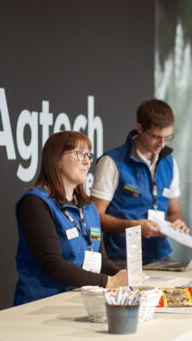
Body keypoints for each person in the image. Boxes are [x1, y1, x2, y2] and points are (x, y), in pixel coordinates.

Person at [14, 131, 127, 306]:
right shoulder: (35, 203)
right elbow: (54, 264)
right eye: (79, 153)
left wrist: (125, 277)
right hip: (41, 305)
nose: (87, 161)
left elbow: (101, 260)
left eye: (88, 154)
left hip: (79, 301)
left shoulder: (88, 207)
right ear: (56, 159)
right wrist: (109, 282)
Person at [91, 99, 189, 264]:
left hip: (160, 257)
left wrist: (177, 225)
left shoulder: (169, 162)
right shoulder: (112, 162)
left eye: (167, 137)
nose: (162, 144)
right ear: (140, 128)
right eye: (156, 137)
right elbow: (95, 217)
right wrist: (134, 226)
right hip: (122, 259)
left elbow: (173, 212)